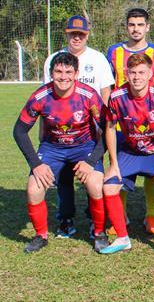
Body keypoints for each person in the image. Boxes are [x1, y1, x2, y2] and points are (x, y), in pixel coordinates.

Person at [12, 52, 106, 254]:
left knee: (95, 184)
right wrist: (36, 164)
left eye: (68, 72)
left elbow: (108, 130)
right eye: (58, 71)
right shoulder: (40, 97)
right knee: (33, 188)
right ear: (51, 72)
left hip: (84, 147)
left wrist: (90, 161)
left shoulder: (88, 95)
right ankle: (41, 236)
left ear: (77, 73)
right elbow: (19, 130)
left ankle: (99, 232)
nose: (63, 76)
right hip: (52, 149)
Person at [42, 15, 115, 239]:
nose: (76, 37)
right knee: (63, 178)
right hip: (59, 131)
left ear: (87, 35)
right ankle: (66, 218)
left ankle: (96, 220)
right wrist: (43, 135)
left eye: (80, 34)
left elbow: (106, 94)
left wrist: (104, 128)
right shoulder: (52, 59)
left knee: (92, 176)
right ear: (66, 33)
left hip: (90, 132)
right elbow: (46, 98)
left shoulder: (98, 58)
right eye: (73, 33)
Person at [98, 53, 154, 256]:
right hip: (130, 151)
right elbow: (109, 128)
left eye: (142, 72)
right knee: (109, 186)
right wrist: (114, 163)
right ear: (126, 73)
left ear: (150, 73)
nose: (137, 77)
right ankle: (123, 238)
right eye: (132, 72)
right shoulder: (116, 97)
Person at [106, 7, 154, 237]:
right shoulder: (113, 52)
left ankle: (150, 214)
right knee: (119, 174)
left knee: (153, 174)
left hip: (151, 125)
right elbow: (109, 85)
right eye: (132, 24)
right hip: (122, 125)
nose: (136, 29)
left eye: (140, 24)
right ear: (126, 27)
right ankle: (120, 216)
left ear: (147, 27)